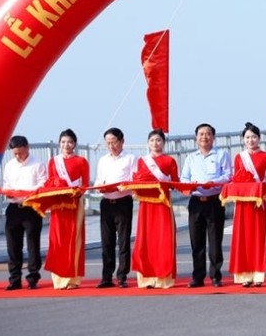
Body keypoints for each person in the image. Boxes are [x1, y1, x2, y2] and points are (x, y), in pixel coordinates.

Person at [182, 123, 232, 288]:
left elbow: (228, 175)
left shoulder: (221, 154)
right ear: (196, 138)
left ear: (213, 137)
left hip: (214, 201)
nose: (204, 137)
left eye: (208, 134)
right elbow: (184, 179)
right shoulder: (191, 158)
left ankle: (216, 276)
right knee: (196, 242)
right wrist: (191, 184)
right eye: (201, 134)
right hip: (196, 202)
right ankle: (198, 277)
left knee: (215, 241)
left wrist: (214, 182)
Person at [131, 128, 180, 289]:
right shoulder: (142, 161)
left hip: (163, 203)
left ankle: (164, 278)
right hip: (146, 205)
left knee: (163, 239)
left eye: (158, 140)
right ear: (148, 143)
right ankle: (147, 278)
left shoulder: (170, 161)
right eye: (152, 140)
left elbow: (175, 183)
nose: (155, 143)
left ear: (163, 143)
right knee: (146, 239)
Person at [229, 122, 266, 287]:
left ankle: (257, 275)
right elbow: (236, 179)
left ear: (259, 138)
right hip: (242, 203)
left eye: (253, 137)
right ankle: (243, 276)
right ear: (243, 140)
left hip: (259, 201)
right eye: (247, 137)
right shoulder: (239, 157)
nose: (251, 140)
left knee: (258, 237)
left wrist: (260, 188)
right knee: (243, 237)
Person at [43, 128, 90, 289]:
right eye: (63, 142)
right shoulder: (53, 161)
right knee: (57, 240)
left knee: (73, 239)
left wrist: (76, 192)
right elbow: (50, 181)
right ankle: (58, 279)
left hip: (74, 203)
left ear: (75, 144)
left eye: (69, 142)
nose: (66, 145)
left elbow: (85, 184)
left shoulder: (81, 161)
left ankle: (73, 279)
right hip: (58, 205)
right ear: (59, 144)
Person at [3, 135, 47, 290]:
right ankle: (14, 279)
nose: (18, 156)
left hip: (31, 207)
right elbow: (6, 184)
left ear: (27, 148)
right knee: (13, 245)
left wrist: (28, 193)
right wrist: (8, 192)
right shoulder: (9, 165)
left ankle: (33, 278)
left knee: (32, 244)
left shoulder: (38, 164)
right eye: (15, 153)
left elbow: (42, 185)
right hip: (14, 208)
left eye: (20, 153)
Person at [94, 127, 136, 288]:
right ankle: (106, 277)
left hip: (123, 201)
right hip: (106, 202)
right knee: (106, 241)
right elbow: (98, 180)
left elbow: (134, 181)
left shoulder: (131, 158)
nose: (111, 146)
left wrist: (120, 188)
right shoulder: (103, 160)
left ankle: (122, 276)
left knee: (123, 240)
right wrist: (100, 187)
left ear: (122, 141)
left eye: (114, 142)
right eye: (108, 143)